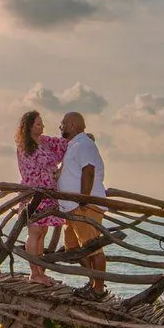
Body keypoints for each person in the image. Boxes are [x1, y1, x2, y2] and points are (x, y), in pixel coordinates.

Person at [56, 112, 107, 297]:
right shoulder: (74, 145)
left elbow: (89, 171)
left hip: (84, 205)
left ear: (71, 125)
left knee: (93, 247)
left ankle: (98, 289)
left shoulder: (84, 144)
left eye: (62, 124)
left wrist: (84, 199)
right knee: (73, 247)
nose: (60, 128)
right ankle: (92, 282)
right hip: (72, 207)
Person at [13, 110, 66, 283]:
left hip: (48, 193)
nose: (42, 126)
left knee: (42, 232)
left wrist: (81, 138)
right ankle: (34, 273)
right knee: (35, 231)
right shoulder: (24, 146)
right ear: (29, 126)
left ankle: (40, 272)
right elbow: (32, 172)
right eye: (38, 124)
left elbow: (63, 144)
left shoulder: (44, 141)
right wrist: (54, 172)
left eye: (42, 123)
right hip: (34, 195)